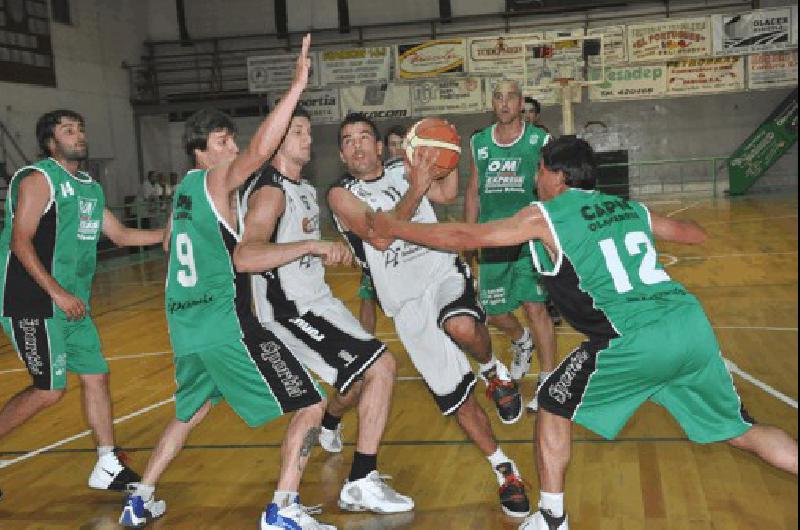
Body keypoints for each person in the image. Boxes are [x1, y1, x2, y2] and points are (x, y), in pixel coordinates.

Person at [367, 135, 799, 530]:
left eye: (539, 170)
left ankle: (552, 517)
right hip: (689, 327)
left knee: (553, 402)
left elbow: (466, 235)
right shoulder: (629, 208)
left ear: (557, 175)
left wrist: (397, 227)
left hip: (632, 337)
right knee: (740, 430)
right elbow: (693, 233)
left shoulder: (546, 216)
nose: (536, 179)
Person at [119, 35, 337, 530]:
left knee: (188, 413)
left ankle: (141, 496)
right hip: (224, 325)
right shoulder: (215, 181)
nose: (233, 148)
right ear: (199, 152)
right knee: (311, 402)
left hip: (184, 330)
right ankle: (282, 508)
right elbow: (262, 147)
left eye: (231, 140)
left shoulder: (181, 196)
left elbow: (167, 246)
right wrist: (297, 83)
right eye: (222, 142)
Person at [328, 113, 530, 518]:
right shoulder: (341, 195)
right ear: (341, 153)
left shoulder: (406, 166)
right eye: (348, 140)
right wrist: (416, 189)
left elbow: (447, 192)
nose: (358, 145)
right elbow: (381, 237)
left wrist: (445, 151)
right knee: (457, 398)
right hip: (404, 303)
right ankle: (504, 469)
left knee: (460, 325)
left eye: (365, 136)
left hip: (440, 271)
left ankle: (492, 369)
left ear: (380, 145)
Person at [236, 106, 413, 515]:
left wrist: (328, 255)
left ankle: (321, 464)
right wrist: (312, 247)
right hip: (290, 313)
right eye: (297, 131)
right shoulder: (271, 190)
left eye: (308, 131)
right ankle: (360, 480)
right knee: (381, 367)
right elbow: (245, 255)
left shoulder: (301, 188)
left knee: (354, 381)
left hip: (318, 304)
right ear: (277, 138)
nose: (308, 139)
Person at [0, 109, 165, 498]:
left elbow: (121, 235)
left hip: (74, 305)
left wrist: (168, 233)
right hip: (34, 302)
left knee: (97, 375)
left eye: (81, 129)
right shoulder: (40, 179)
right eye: (67, 130)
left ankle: (107, 463)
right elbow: (20, 241)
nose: (79, 135)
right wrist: (56, 292)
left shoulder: (89, 187)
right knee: (49, 390)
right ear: (49, 142)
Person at [465, 79, 557, 411]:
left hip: (529, 236)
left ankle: (547, 380)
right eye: (498, 97)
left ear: (521, 104)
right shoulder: (479, 142)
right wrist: (469, 236)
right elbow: (473, 189)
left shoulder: (539, 140)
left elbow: (551, 187)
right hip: (492, 238)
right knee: (492, 309)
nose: (504, 103)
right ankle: (521, 341)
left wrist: (552, 229)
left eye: (511, 97)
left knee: (536, 308)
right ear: (493, 103)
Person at [357, 124, 405, 335]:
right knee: (366, 295)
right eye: (392, 144)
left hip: (408, 245)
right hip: (381, 246)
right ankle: (366, 344)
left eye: (400, 144)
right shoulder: (378, 173)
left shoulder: (412, 171)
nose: (396, 149)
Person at [522, 97, 561, 327]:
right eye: (523, 111)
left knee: (547, 253)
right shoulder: (508, 139)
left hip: (541, 204)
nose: (526, 115)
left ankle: (553, 303)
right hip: (519, 205)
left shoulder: (543, 138)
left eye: (530, 112)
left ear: (536, 116)